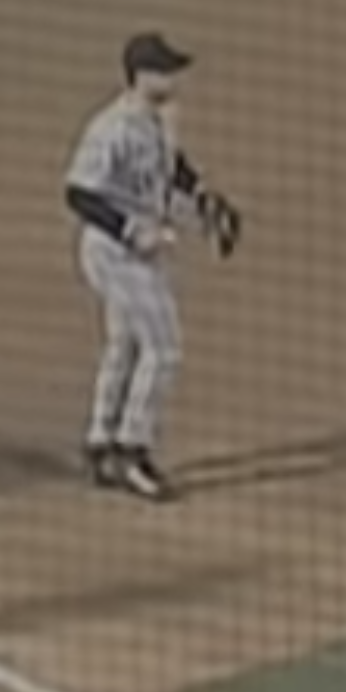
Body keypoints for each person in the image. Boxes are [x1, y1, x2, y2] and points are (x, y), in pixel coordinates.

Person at [63, 33, 242, 501]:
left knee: (124, 343)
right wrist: (129, 230)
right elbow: (79, 193)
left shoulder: (158, 119)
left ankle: (100, 441)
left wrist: (202, 197)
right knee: (164, 348)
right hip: (110, 253)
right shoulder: (110, 128)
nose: (174, 78)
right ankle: (132, 451)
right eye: (165, 71)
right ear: (141, 76)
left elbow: (169, 165)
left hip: (142, 251)